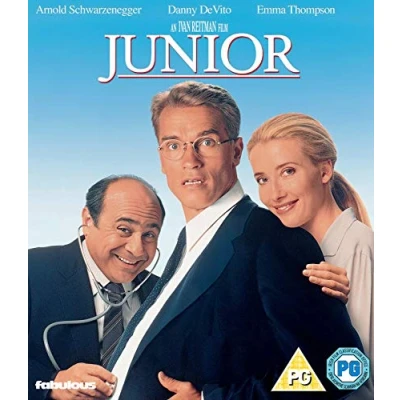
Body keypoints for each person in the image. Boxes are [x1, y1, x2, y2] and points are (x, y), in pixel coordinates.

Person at [107, 82, 363, 400]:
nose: (190, 160)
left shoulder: (272, 239)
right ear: (161, 158)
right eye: (173, 145)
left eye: (207, 142)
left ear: (236, 151)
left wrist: (211, 399)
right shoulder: (188, 241)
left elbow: (342, 371)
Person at [247, 112, 374, 399]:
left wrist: (330, 315)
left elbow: (359, 381)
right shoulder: (286, 259)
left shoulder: (359, 248)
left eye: (288, 171)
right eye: (263, 179)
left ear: (324, 171)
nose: (274, 194)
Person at [28, 175, 165, 400]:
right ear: (88, 221)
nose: (137, 250)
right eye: (124, 229)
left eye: (149, 235)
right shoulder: (29, 271)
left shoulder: (164, 292)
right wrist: (51, 383)